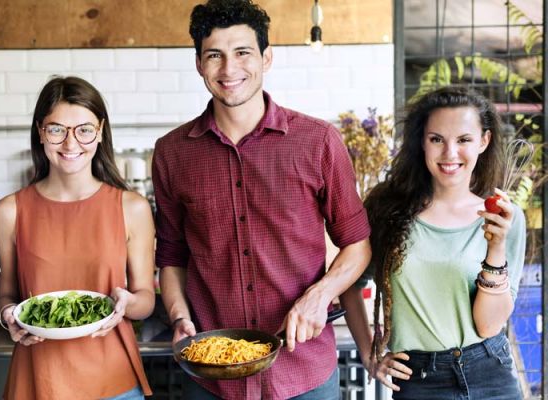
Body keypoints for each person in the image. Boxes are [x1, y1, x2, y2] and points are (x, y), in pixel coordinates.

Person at [152, 0, 372, 398]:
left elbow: (357, 245)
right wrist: (179, 316)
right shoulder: (172, 153)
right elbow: (171, 257)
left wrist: (318, 296)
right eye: (214, 55)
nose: (229, 69)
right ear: (199, 64)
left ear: (267, 58)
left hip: (303, 372)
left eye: (242, 53)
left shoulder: (318, 142)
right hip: (211, 377)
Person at [355, 86, 525, 399]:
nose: (449, 154)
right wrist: (369, 356)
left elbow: (488, 326)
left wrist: (496, 246)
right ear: (422, 141)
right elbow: (350, 283)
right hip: (419, 379)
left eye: (464, 140)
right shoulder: (386, 210)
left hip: (491, 374)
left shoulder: (503, 218)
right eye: (437, 139)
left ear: (484, 141)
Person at [0, 76, 155, 400]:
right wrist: (7, 316)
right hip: (38, 381)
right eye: (56, 130)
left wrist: (127, 304)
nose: (70, 144)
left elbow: (145, 299)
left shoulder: (131, 207)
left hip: (114, 382)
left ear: (100, 132)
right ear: (41, 132)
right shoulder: (9, 211)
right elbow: (5, 296)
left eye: (84, 130)